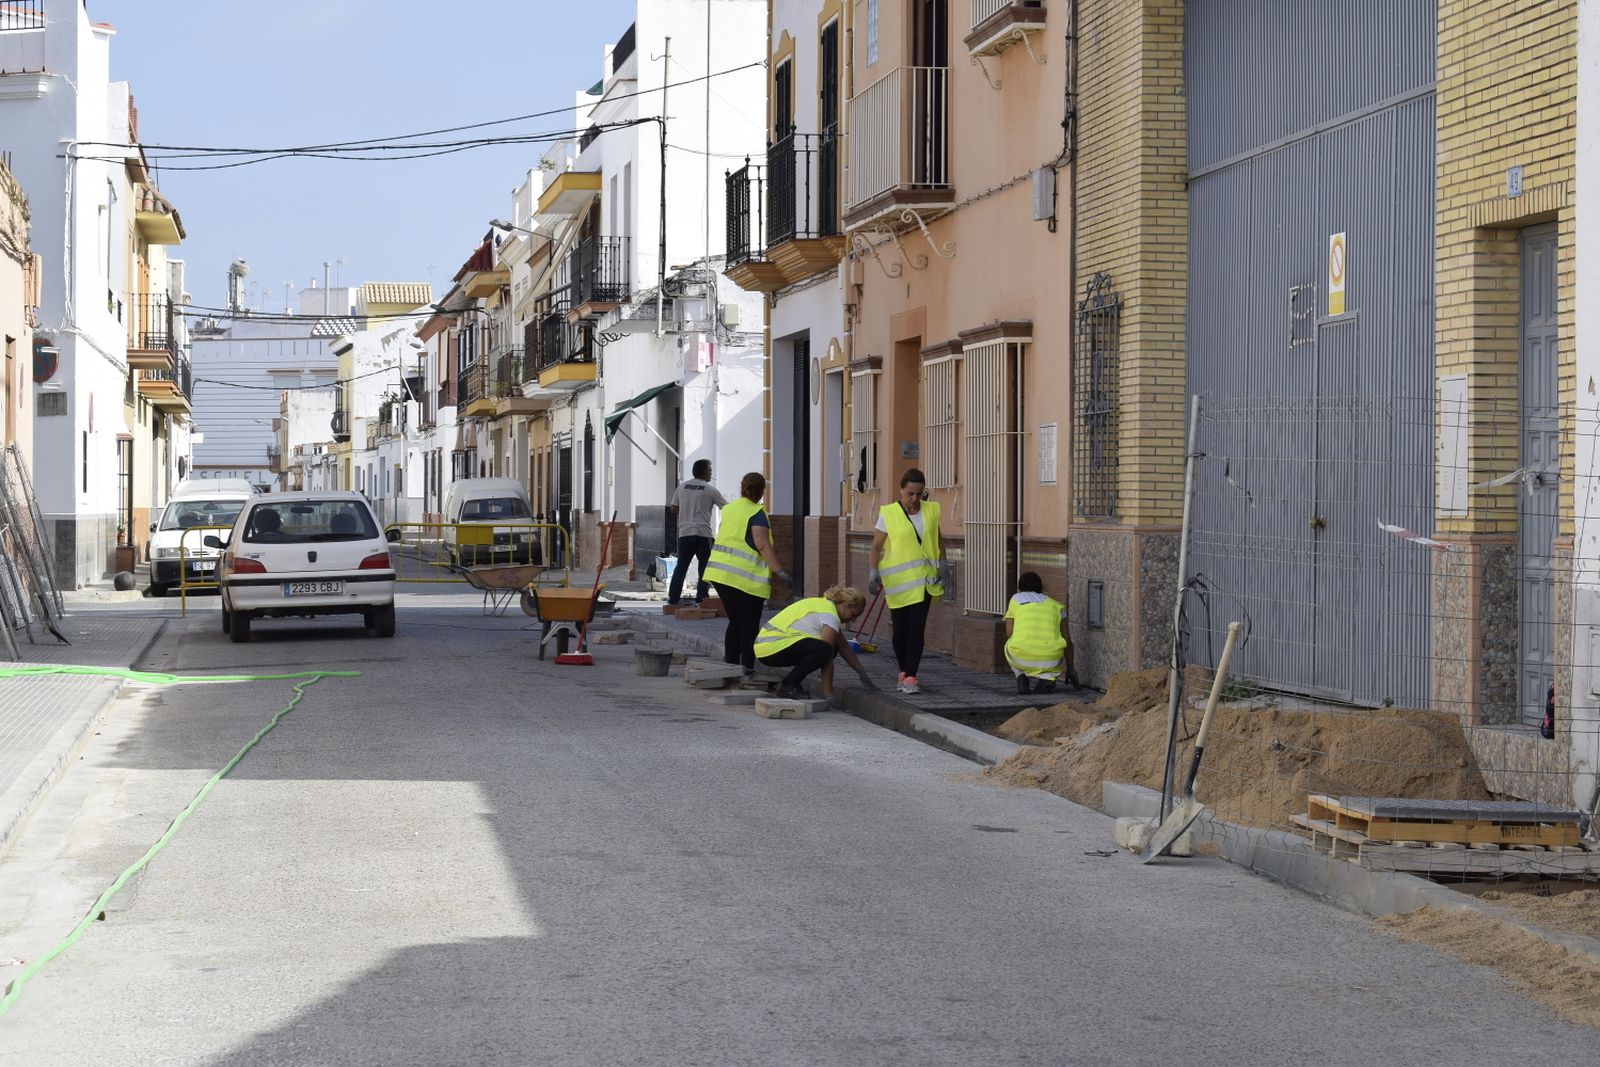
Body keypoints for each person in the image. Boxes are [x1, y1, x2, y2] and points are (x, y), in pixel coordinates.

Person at [867, 468, 951, 695]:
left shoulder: (931, 511)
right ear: (901, 491)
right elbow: (876, 546)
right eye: (910, 494)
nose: (915, 499)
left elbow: (938, 539)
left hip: (925, 581)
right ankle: (903, 670)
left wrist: (944, 564)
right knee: (900, 630)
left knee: (916, 628)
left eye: (919, 494)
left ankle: (912, 676)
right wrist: (873, 571)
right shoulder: (889, 513)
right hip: (899, 583)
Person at [703, 471, 791, 675]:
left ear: (742, 487)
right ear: (762, 491)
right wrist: (780, 571)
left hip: (720, 574)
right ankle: (747, 668)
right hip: (744, 578)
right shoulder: (757, 513)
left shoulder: (730, 508)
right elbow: (763, 545)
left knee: (735, 621)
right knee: (749, 624)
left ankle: (732, 665)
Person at [755, 585, 876, 698]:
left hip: (765, 647)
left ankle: (793, 684)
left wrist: (861, 671)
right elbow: (827, 657)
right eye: (853, 615)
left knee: (825, 649)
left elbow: (844, 647)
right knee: (825, 650)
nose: (853, 620)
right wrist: (829, 695)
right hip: (772, 647)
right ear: (846, 605)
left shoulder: (824, 605)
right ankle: (788, 685)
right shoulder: (830, 616)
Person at [1003, 571, 1079, 694]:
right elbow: (1067, 641)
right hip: (1051, 659)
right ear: (1041, 587)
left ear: (1019, 587)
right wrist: (1071, 669)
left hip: (1021, 656)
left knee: (1009, 643)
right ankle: (1048, 678)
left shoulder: (1016, 599)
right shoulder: (1057, 606)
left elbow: (1009, 632)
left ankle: (1021, 676)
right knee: (1059, 645)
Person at [667, 458, 727, 607]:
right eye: (710, 471)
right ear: (705, 472)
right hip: (703, 534)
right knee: (705, 568)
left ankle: (673, 599)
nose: (711, 474)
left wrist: (686, 511)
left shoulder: (681, 487)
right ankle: (701, 598)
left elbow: (674, 508)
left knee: (681, 566)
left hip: (685, 534)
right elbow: (726, 508)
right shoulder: (710, 490)